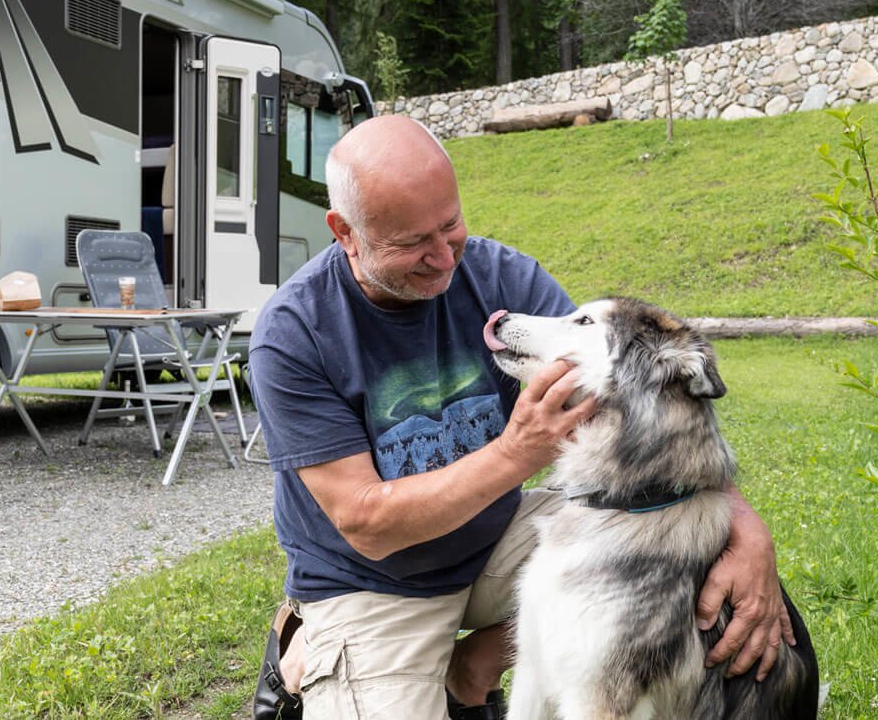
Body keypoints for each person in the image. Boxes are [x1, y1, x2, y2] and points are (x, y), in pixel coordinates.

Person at [247, 115, 795, 720]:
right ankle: (304, 647)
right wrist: (518, 451)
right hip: (377, 580)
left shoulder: (498, 274)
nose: (441, 257)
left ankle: (477, 662)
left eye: (450, 223)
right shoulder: (293, 333)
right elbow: (368, 523)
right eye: (410, 242)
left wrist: (744, 530)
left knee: (675, 534)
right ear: (345, 232)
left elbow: (638, 402)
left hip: (494, 537)